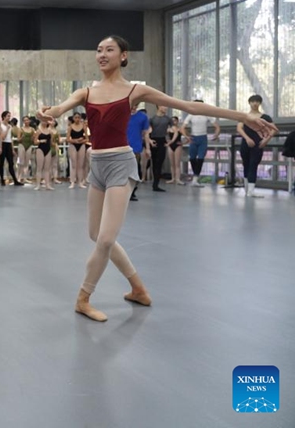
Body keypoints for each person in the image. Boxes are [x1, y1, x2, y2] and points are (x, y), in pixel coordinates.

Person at [38, 35, 274, 322]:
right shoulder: (87, 92)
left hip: (120, 164)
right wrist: (48, 113)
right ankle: (137, 288)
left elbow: (190, 107)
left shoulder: (135, 90)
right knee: (95, 235)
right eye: (98, 50)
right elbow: (60, 108)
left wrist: (243, 116)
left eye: (109, 50)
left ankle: (83, 298)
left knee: (106, 238)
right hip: (96, 164)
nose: (102, 55)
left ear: (123, 56)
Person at [237, 94, 278, 198]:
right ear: (249, 103)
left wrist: (266, 140)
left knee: (253, 165)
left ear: (260, 103)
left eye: (257, 101)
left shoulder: (265, 117)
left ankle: (251, 191)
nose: (255, 103)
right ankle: (247, 190)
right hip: (246, 144)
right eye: (253, 101)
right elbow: (239, 128)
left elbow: (273, 129)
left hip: (258, 145)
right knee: (246, 164)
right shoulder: (244, 116)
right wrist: (247, 138)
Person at [180, 100, 220, 187]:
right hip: (193, 138)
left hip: (203, 139)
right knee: (192, 158)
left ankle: (195, 179)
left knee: (201, 158)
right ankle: (195, 177)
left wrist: (216, 134)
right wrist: (186, 136)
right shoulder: (191, 115)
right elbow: (182, 128)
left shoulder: (206, 114)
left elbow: (217, 126)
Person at [126, 104, 151, 201]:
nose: (133, 107)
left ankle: (132, 191)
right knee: (124, 171)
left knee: (135, 170)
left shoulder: (142, 117)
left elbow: (146, 134)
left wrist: (148, 148)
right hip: (123, 146)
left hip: (136, 147)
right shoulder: (123, 115)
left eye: (135, 105)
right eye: (132, 105)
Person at [149, 105, 172, 192]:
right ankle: (154, 183)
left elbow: (174, 129)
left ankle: (156, 184)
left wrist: (170, 141)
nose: (166, 107)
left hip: (162, 141)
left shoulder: (168, 119)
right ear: (158, 107)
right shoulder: (152, 119)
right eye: (164, 106)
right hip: (154, 141)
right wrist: (150, 140)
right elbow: (147, 131)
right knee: (154, 163)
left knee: (159, 162)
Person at [0, 111, 23, 186]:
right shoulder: (0, 125)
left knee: (11, 163)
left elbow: (10, 138)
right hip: (3, 144)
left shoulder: (10, 126)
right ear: (4, 117)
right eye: (8, 116)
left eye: (10, 116)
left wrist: (12, 149)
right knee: (1, 163)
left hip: (9, 144)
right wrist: (1, 147)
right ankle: (2, 180)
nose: (9, 117)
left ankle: (15, 180)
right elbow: (2, 137)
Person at [67, 112, 88, 189]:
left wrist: (80, 141)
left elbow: (87, 138)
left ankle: (80, 182)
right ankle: (72, 181)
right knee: (73, 164)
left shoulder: (83, 126)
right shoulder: (71, 127)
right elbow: (68, 139)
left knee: (80, 165)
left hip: (81, 145)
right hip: (73, 145)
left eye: (78, 117)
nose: (77, 119)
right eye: (75, 117)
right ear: (73, 118)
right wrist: (75, 140)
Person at [33, 120, 54, 190]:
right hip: (40, 149)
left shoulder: (50, 131)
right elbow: (35, 141)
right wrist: (40, 141)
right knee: (39, 168)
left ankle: (47, 184)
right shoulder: (38, 131)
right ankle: (38, 185)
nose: (45, 122)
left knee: (47, 169)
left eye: (46, 121)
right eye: (43, 121)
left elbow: (51, 142)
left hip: (48, 149)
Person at [165, 116, 185, 185]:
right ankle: (173, 178)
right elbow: (164, 136)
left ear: (177, 121)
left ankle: (178, 179)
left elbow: (188, 137)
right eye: (172, 120)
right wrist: (167, 141)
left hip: (177, 145)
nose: (174, 122)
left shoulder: (180, 129)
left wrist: (183, 143)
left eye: (175, 120)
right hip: (170, 146)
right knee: (172, 164)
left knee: (177, 164)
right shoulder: (168, 129)